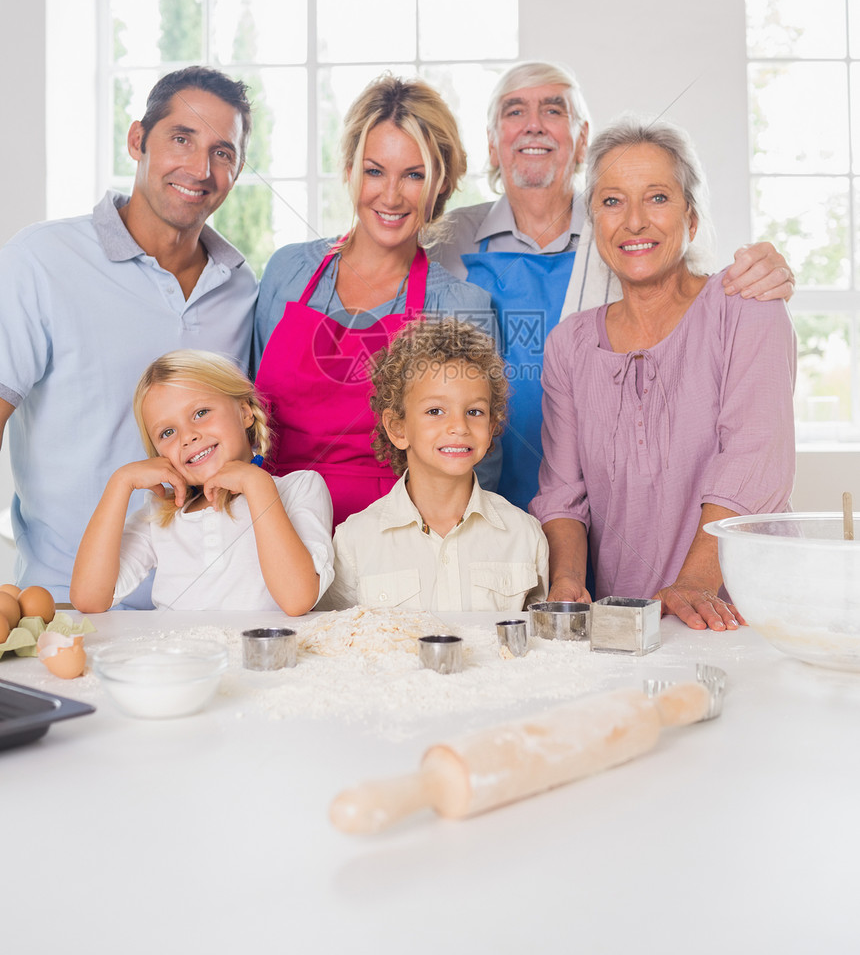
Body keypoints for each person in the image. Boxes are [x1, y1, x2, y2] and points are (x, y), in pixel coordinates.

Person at [431, 60, 795, 512]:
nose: (533, 126)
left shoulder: (629, 234)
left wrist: (765, 271)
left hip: (610, 503)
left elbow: (692, 300)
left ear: (582, 138)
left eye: (553, 110)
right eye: (514, 111)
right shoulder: (443, 241)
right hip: (480, 493)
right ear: (491, 143)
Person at [0, 67, 258, 604]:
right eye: (181, 138)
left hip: (204, 609)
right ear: (138, 140)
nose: (200, 168)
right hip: (64, 604)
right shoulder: (40, 261)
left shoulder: (240, 288)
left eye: (223, 152)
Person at [530, 117, 796, 631]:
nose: (634, 221)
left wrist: (694, 583)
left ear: (691, 219)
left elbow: (756, 459)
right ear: (595, 226)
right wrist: (566, 580)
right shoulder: (569, 344)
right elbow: (563, 493)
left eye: (656, 197)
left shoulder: (747, 305)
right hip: (626, 617)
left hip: (741, 609)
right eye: (612, 201)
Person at [254, 75, 495, 530]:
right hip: (273, 536)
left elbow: (477, 461)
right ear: (348, 170)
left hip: (398, 541)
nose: (390, 195)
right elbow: (245, 418)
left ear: (439, 184)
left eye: (413, 175)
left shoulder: (462, 305)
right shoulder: (287, 273)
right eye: (374, 170)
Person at [70, 351, 333, 614]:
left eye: (201, 413)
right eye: (167, 432)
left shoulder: (301, 488)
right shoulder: (161, 514)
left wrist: (257, 485)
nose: (188, 437)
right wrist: (120, 483)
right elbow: (88, 599)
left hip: (257, 654)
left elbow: (297, 599)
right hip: (180, 654)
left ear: (244, 412)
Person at [325, 318, 548, 611]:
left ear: (492, 425)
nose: (459, 426)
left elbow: (538, 645)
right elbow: (337, 643)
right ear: (398, 428)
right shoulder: (355, 541)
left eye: (474, 411)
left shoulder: (525, 535)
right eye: (435, 410)